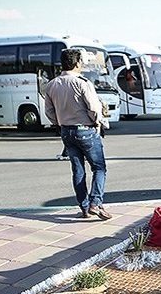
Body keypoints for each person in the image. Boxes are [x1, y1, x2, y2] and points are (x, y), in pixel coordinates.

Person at [44, 48, 112, 220]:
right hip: (86, 129)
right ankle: (95, 203)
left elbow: (49, 112)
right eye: (81, 62)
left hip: (66, 131)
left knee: (78, 170)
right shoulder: (83, 83)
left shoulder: (51, 85)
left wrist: (59, 122)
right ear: (76, 63)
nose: (82, 65)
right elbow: (94, 109)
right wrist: (97, 122)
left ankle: (84, 208)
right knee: (99, 168)